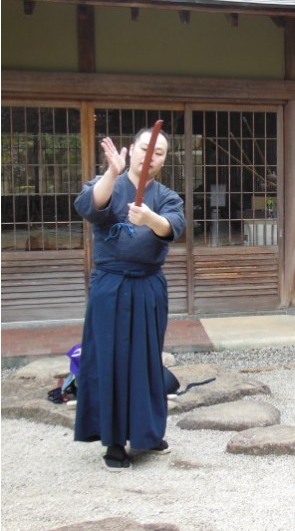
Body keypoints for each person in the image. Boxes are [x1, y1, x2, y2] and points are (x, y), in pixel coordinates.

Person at [74, 126, 186, 471]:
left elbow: (172, 226)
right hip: (110, 286)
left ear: (164, 160)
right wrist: (111, 172)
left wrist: (150, 218)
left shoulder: (166, 196)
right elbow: (92, 207)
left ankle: (147, 432)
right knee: (108, 359)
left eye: (159, 152)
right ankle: (113, 442)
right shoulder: (110, 182)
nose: (151, 156)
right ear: (131, 150)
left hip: (148, 286)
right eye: (146, 148)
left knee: (147, 361)